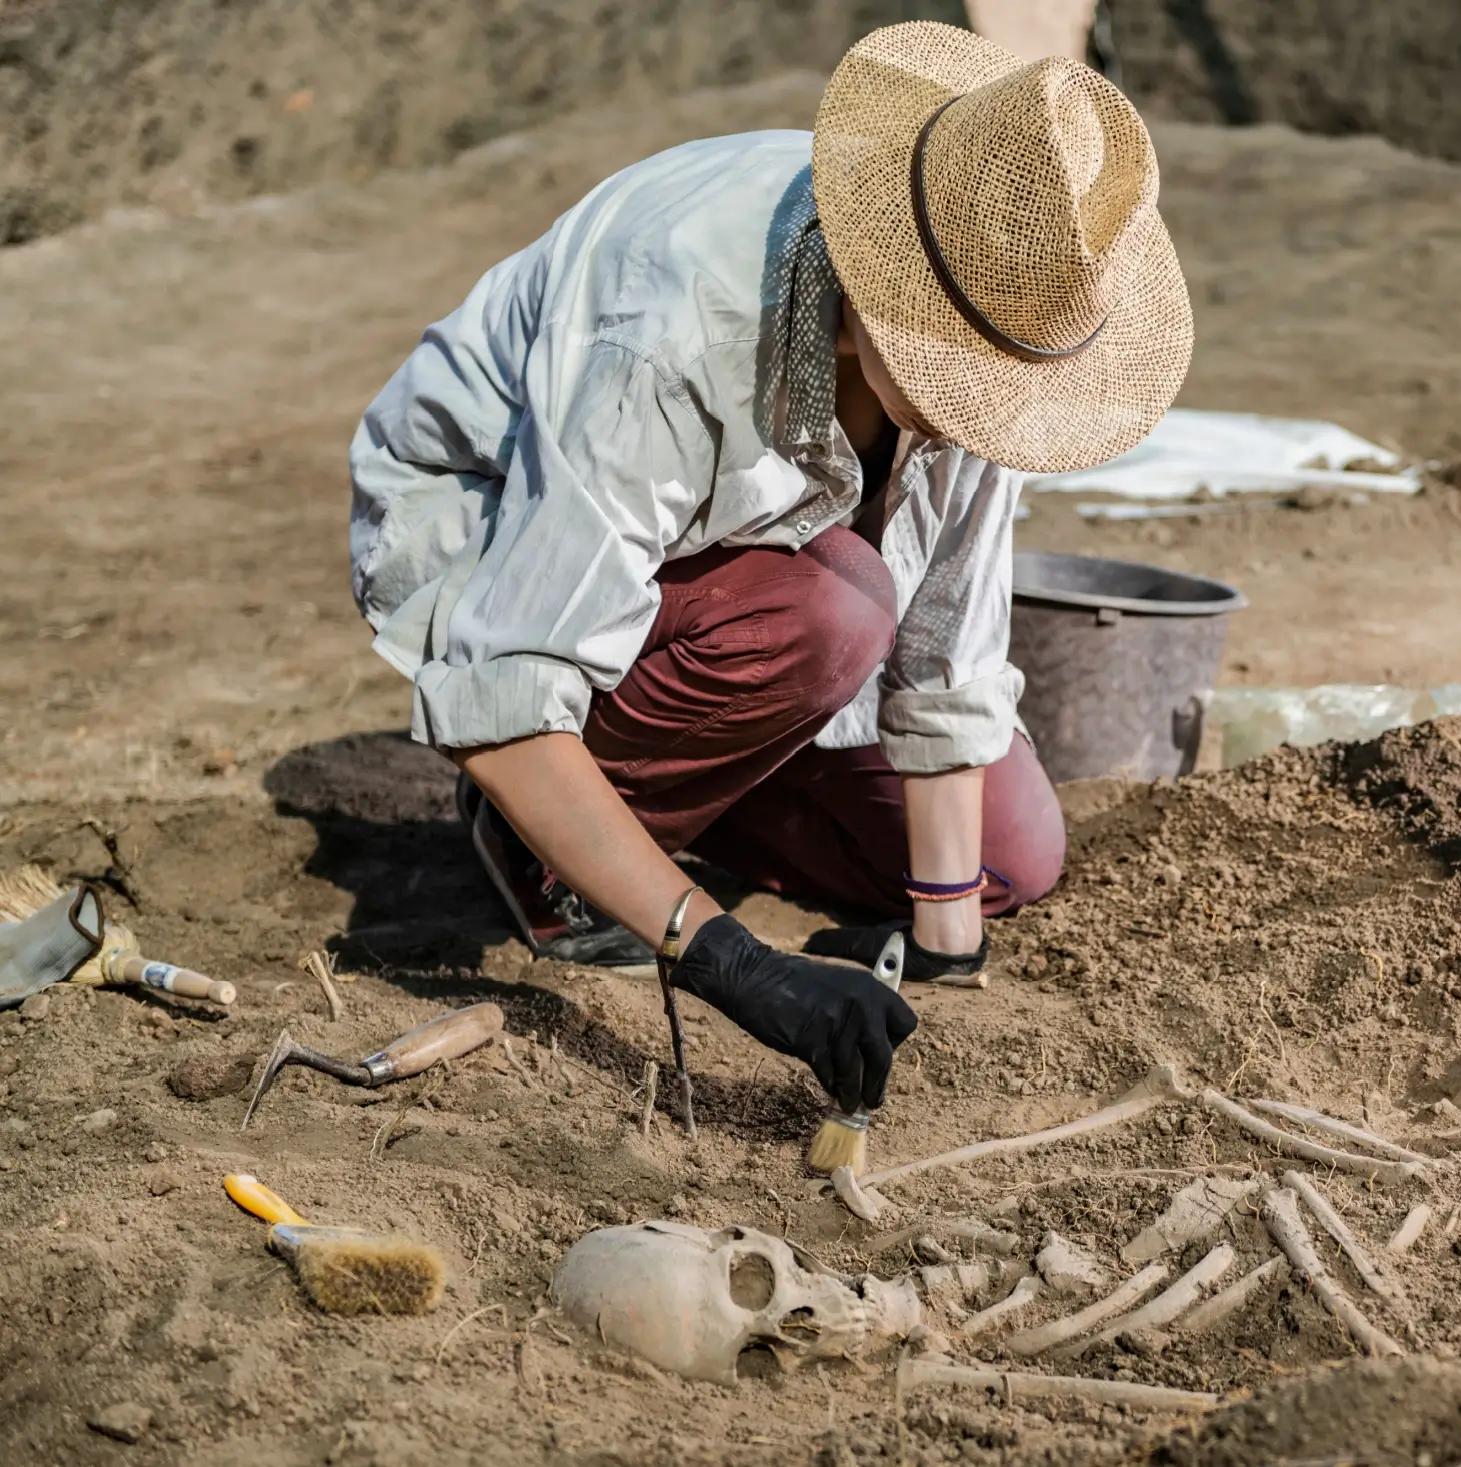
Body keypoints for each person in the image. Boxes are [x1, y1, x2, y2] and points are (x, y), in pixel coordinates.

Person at [345, 22, 1192, 1121]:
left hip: (751, 583)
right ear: (867, 308)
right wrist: (730, 961)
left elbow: (948, 646)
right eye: (957, 376)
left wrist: (943, 941)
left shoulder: (1005, 295)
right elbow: (502, 692)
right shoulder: (669, 330)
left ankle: (699, 767)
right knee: (832, 612)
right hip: (494, 536)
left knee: (1007, 862)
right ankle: (544, 847)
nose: (981, 413)